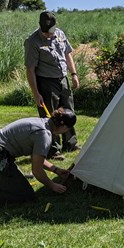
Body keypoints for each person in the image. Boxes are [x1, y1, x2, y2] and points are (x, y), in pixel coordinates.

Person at [24, 11, 80, 160]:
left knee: (68, 112)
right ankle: (53, 149)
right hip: (46, 82)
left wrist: (73, 74)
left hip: (63, 79)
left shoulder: (60, 34)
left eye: (50, 32)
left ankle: (71, 143)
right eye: (45, 32)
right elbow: (30, 69)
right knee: (51, 116)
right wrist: (36, 93)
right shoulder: (33, 41)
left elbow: (68, 54)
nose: (48, 35)